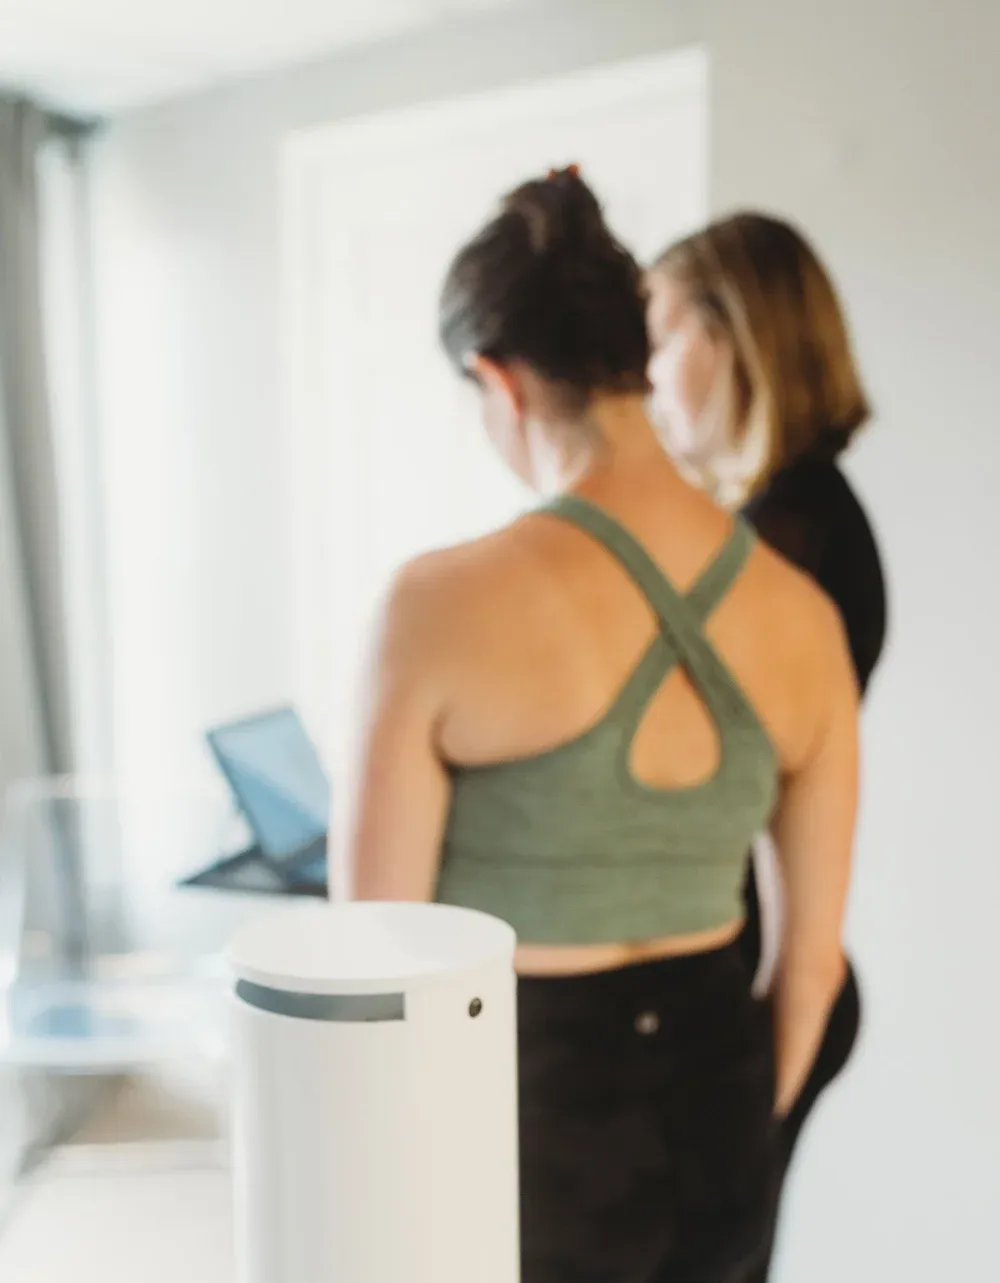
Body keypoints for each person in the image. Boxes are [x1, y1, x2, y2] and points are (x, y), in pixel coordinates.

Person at [345, 169, 859, 1283]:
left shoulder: (434, 606)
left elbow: (370, 963)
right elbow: (808, 967)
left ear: (499, 380)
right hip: (718, 1115)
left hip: (522, 1129)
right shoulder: (802, 616)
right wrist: (726, 1136)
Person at [646, 212, 887, 1280]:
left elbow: (668, 759)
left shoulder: (782, 538)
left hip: (758, 989)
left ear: (730, 335)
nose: (646, 377)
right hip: (766, 979)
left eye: (658, 338)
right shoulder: (794, 515)